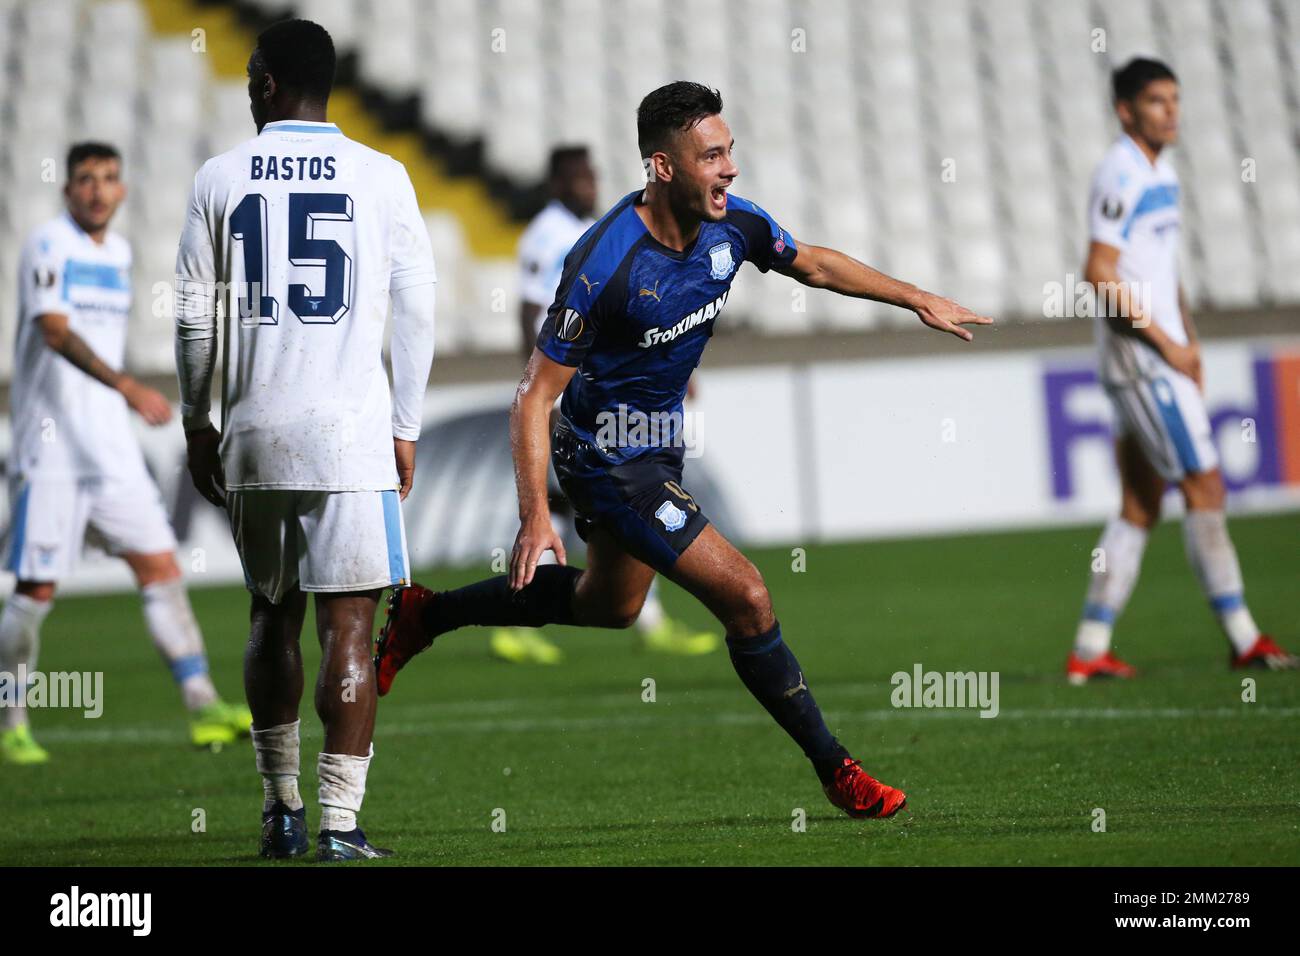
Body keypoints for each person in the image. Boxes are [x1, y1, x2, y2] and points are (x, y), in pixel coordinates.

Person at [376, 82, 992, 818]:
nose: (729, 168)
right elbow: (532, 396)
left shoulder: (734, 227)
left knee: (610, 606)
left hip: (656, 449)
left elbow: (816, 265)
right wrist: (535, 516)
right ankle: (838, 770)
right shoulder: (603, 263)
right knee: (749, 596)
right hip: (603, 457)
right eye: (711, 155)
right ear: (662, 166)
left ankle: (426, 615)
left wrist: (917, 297)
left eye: (729, 151)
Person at [174, 19, 436, 860]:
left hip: (253, 430)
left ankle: (280, 813)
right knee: (349, 630)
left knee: (269, 617)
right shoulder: (383, 175)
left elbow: (191, 316)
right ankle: (340, 824)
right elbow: (418, 312)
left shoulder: (219, 177)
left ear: (265, 85)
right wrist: (405, 428)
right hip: (350, 436)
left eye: (252, 73)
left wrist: (197, 418)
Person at [1, 142, 250, 765]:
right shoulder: (48, 244)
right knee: (35, 591)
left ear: (123, 191)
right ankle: (12, 721)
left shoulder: (119, 253)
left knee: (162, 570)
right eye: (85, 179)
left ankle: (201, 706)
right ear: (67, 190)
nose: (97, 190)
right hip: (50, 449)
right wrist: (128, 386)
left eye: (109, 179)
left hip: (110, 449)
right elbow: (53, 331)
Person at [1066, 57, 1296, 684]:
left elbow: (1163, 272)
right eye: (1157, 101)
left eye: (1176, 99)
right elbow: (1099, 272)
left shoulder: (1160, 170)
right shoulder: (1120, 170)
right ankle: (1244, 637)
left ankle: (1089, 648)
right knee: (1206, 485)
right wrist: (1169, 347)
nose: (1172, 111)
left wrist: (1189, 340)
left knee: (1141, 503)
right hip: (1141, 358)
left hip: (1161, 354)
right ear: (1126, 110)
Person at [497, 143, 718, 665]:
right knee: (571, 501)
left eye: (590, 174)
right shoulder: (543, 234)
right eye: (575, 177)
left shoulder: (605, 224)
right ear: (555, 183)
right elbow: (531, 311)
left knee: (618, 502)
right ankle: (520, 612)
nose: (587, 184)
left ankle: (644, 617)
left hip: (608, 387)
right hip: (568, 390)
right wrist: (540, 391)